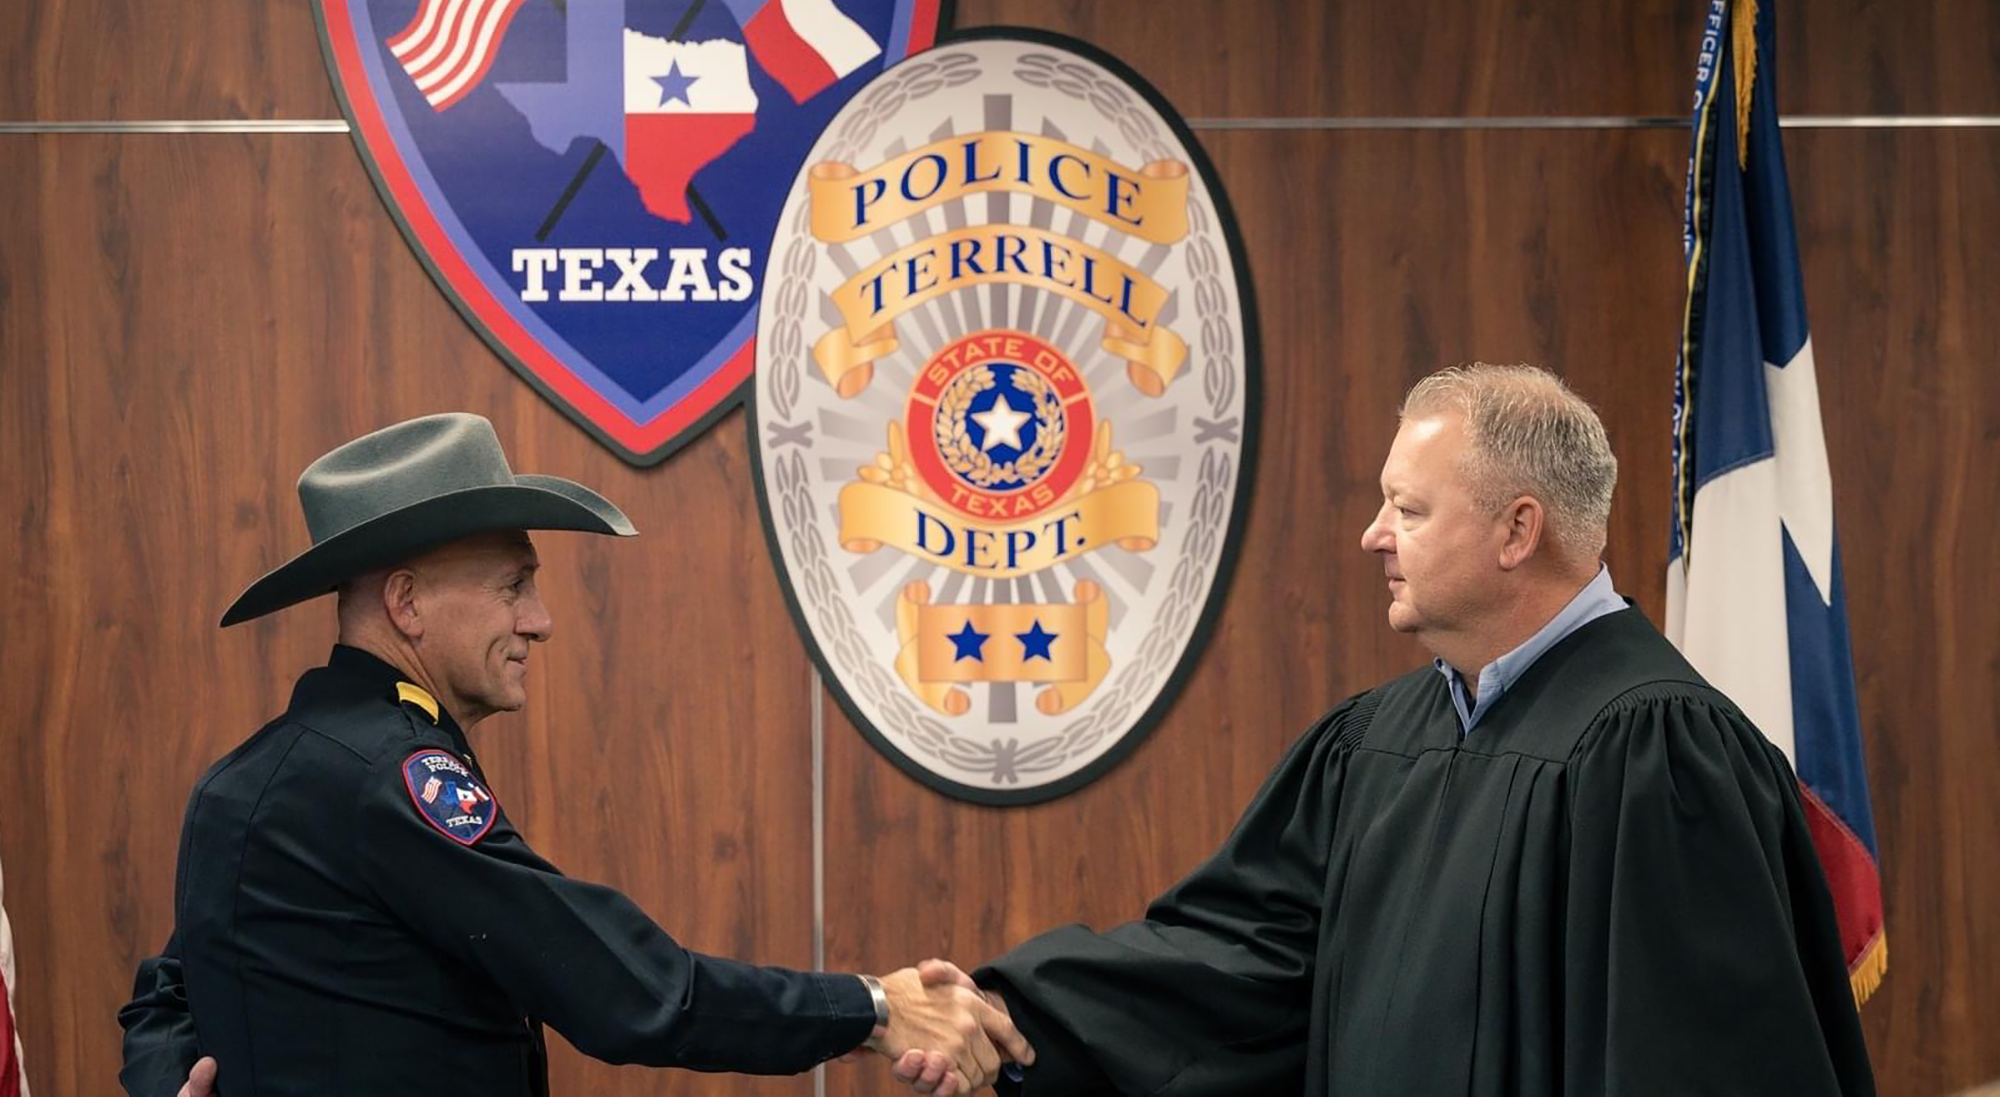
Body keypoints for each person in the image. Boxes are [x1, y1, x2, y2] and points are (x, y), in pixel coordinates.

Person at [892, 363, 1875, 1095]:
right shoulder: (1375, 742)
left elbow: (1703, 1069)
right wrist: (1009, 1014)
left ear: (1515, 531)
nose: (1372, 534)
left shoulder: (1656, 756)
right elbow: (1235, 964)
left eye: (1405, 507)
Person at [117, 413, 1029, 1097]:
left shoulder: (256, 777)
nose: (540, 622)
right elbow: (627, 987)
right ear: (405, 603)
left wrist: (165, 1073)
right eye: (514, 585)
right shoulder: (387, 780)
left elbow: (170, 983)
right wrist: (871, 1008)